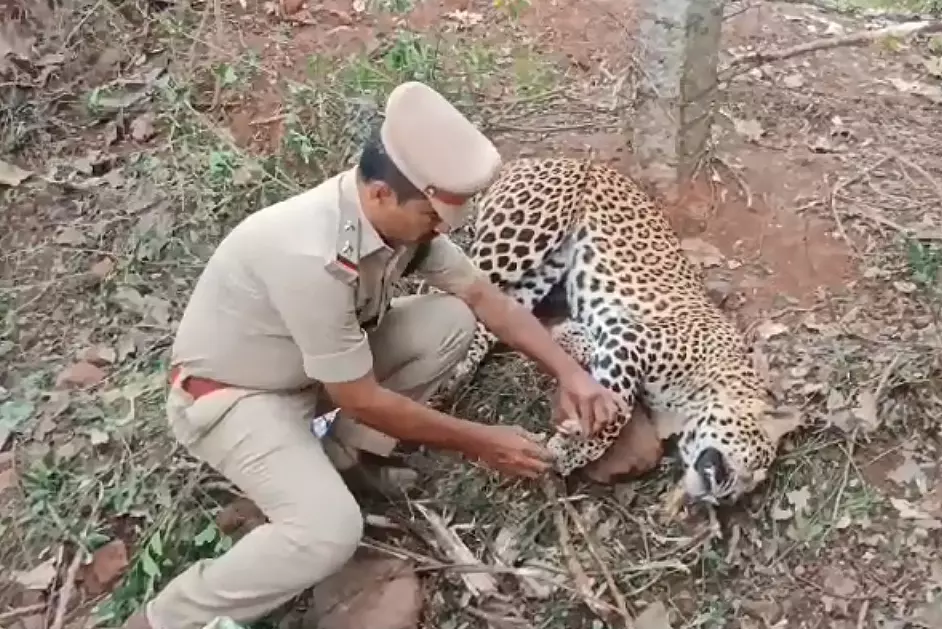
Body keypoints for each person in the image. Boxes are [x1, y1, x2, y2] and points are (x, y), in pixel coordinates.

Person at [124, 80, 620, 629]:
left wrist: (571, 373)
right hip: (239, 397)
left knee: (451, 321)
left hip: (311, 373)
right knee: (328, 533)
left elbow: (484, 298)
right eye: (431, 217)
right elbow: (360, 397)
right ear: (382, 193)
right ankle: (166, 618)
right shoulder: (310, 255)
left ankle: (347, 460)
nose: (439, 231)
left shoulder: (400, 225)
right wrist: (483, 442)